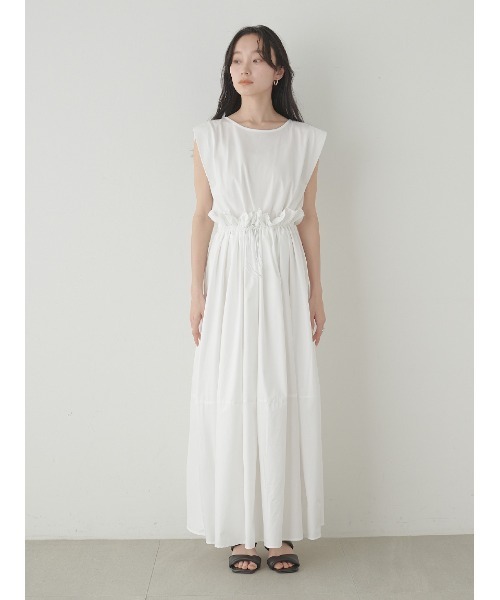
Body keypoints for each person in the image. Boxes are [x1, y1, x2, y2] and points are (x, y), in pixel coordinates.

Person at [186, 25, 327, 574]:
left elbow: (309, 218)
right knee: (233, 388)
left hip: (283, 273)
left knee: (280, 388)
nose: (244, 69)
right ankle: (241, 530)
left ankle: (279, 529)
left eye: (258, 59)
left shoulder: (304, 140)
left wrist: (317, 289)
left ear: (278, 70)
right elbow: (202, 217)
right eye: (236, 60)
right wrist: (195, 290)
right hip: (228, 274)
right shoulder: (211, 137)